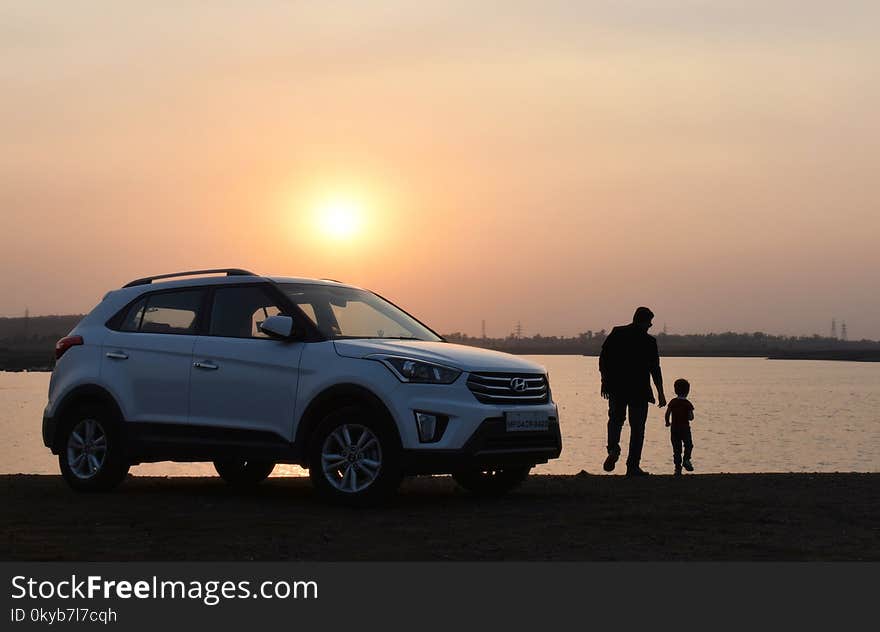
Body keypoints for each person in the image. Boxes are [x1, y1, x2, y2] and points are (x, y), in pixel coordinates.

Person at [599, 306, 666, 476]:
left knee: (615, 421)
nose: (650, 326)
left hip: (617, 388)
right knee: (638, 429)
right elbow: (655, 368)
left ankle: (613, 449)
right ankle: (633, 466)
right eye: (649, 322)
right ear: (643, 321)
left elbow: (604, 359)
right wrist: (660, 392)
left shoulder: (618, 333)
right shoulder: (650, 342)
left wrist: (604, 382)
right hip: (639, 390)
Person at [665, 378, 695, 476]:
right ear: (687, 391)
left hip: (674, 429)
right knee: (689, 445)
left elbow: (667, 413)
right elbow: (691, 417)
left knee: (676, 449)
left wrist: (667, 422)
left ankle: (677, 468)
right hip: (685, 429)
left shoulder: (673, 402)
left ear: (675, 390)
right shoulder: (687, 403)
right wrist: (689, 416)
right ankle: (686, 459)